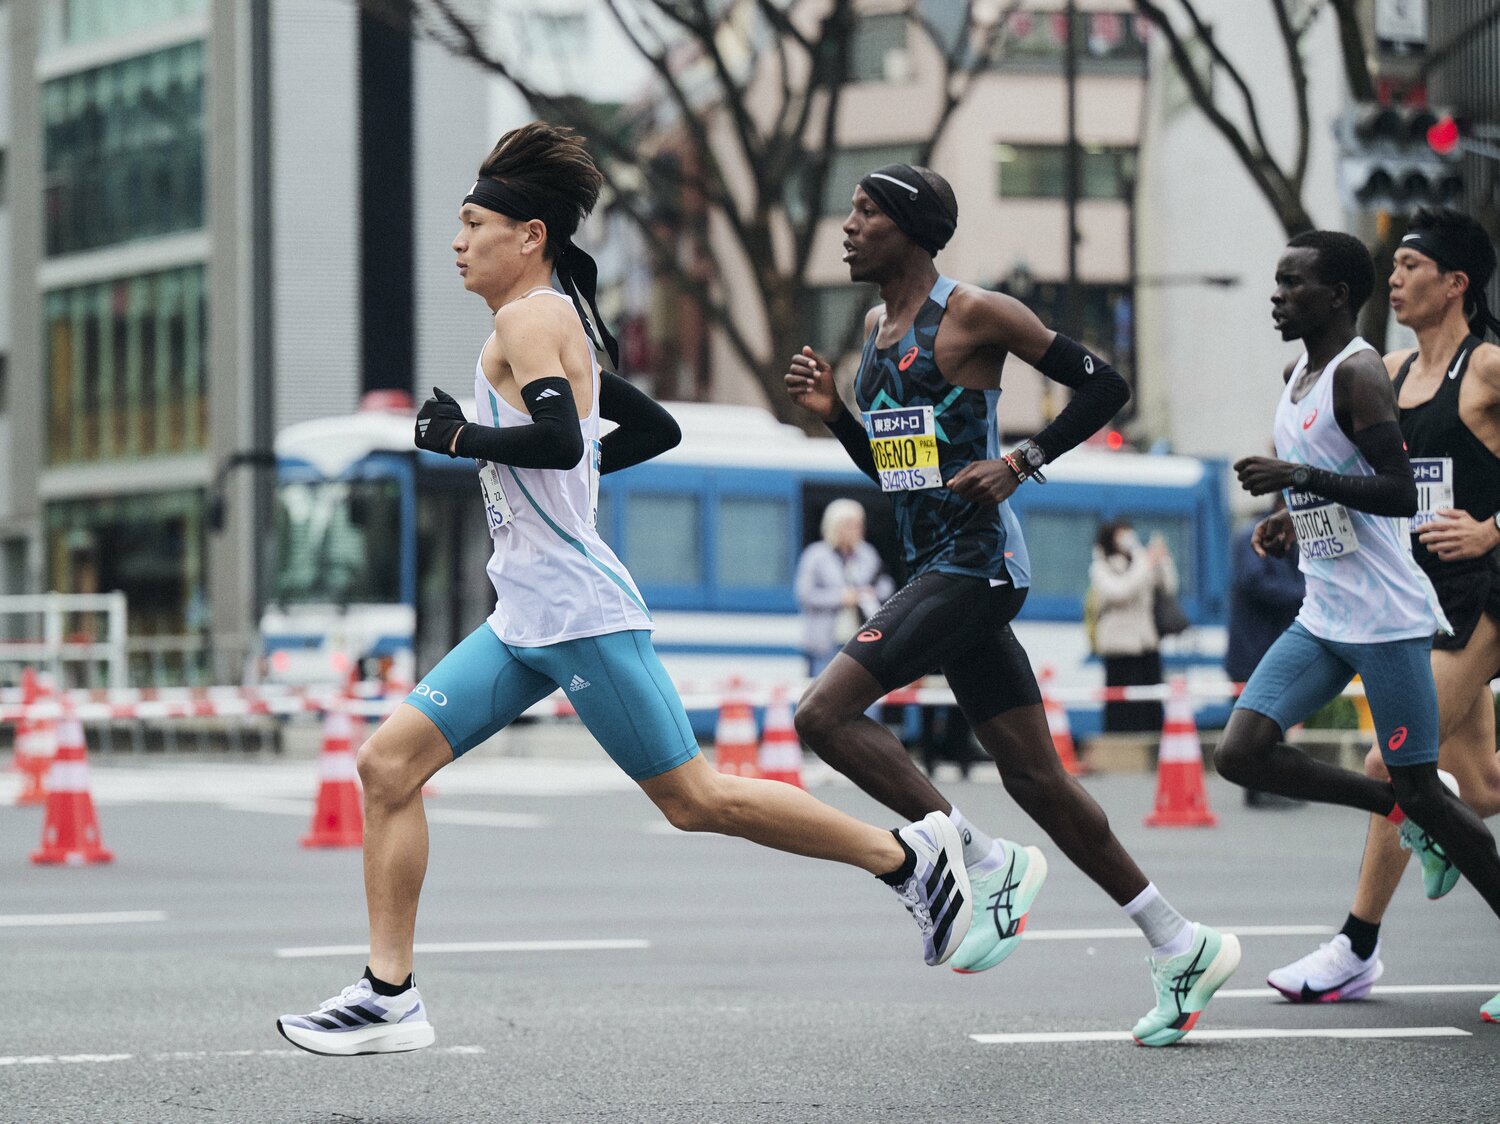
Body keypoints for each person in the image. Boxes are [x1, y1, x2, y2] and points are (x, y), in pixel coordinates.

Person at [276, 124, 996, 1057]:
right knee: (387, 766)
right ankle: (388, 994)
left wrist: (460, 440)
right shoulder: (547, 321)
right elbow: (648, 429)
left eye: (472, 224)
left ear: (528, 235)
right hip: (525, 611)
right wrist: (554, 480)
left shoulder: (530, 320)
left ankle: (907, 859)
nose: (457, 242)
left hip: (576, 612)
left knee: (694, 798)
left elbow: (557, 442)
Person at [784, 161, 1239, 1046]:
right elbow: (900, 471)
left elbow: (1106, 385)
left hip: (976, 563)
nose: (848, 226)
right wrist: (836, 415)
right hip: (933, 564)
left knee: (821, 714)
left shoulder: (975, 313)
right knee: (1035, 778)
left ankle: (979, 857)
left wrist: (1022, 461)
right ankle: (1180, 941)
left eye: (866, 212)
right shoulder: (875, 330)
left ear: (911, 230)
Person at [1216, 228, 1500, 1022]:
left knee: (1420, 783)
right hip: (1325, 612)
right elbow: (1344, 482)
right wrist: (1292, 514)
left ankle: (1364, 927)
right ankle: (1403, 816)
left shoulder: (1371, 369)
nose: (1276, 297)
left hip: (1398, 615)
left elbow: (1398, 490)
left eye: (1291, 284)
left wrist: (1491, 530)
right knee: (1241, 754)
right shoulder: (1321, 373)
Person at [1224, 502, 1306, 809]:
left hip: (1270, 643)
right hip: (1252, 646)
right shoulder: (1252, 536)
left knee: (1271, 721)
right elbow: (1254, 581)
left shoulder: (1290, 539)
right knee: (1254, 721)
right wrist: (1304, 594)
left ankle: (1270, 785)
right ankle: (1258, 787)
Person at [1089, 519, 1177, 734]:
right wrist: (1144, 562)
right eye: (1122, 534)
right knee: (1122, 705)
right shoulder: (1101, 566)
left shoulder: (1140, 561)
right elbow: (1120, 592)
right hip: (1119, 645)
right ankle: (1120, 742)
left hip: (1146, 641)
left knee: (1151, 699)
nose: (1128, 538)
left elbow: (1169, 587)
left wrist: (1162, 560)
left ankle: (1153, 738)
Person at [795, 499, 893, 678]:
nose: (857, 529)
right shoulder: (816, 555)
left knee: (859, 687)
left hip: (860, 639)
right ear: (834, 526)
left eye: (859, 524)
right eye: (850, 524)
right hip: (825, 643)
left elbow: (886, 585)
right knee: (824, 689)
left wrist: (871, 593)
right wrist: (840, 597)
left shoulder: (868, 554)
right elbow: (805, 594)